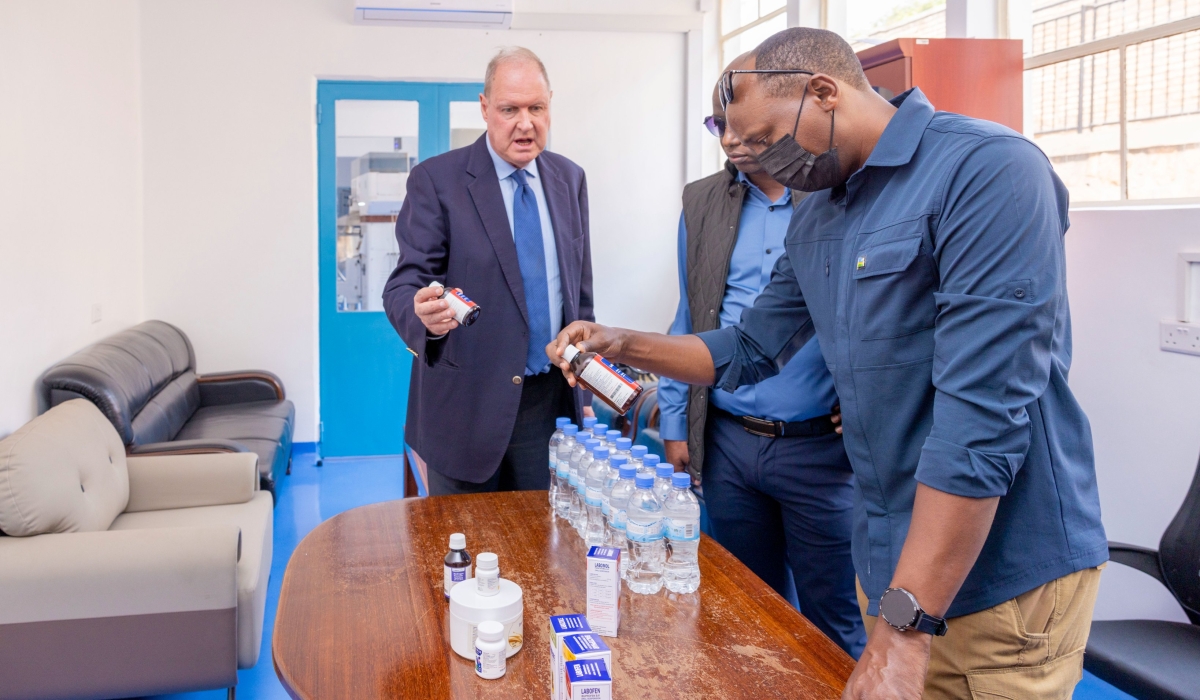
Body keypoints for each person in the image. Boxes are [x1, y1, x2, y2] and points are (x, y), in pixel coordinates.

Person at [549, 28, 1107, 700]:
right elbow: (747, 348)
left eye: (766, 141)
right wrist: (621, 344)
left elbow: (979, 421)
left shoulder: (986, 170)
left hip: (1004, 575)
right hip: (892, 564)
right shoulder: (821, 219)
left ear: (823, 92)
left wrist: (905, 626)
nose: (757, 161)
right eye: (741, 146)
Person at [657, 52, 864, 657]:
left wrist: (867, 399)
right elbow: (690, 316)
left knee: (834, 620)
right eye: (718, 125)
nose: (732, 141)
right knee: (743, 610)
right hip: (729, 443)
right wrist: (676, 421)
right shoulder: (702, 203)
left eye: (748, 129)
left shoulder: (840, 195)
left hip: (821, 451)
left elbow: (886, 316)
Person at [383, 47, 594, 496]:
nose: (525, 123)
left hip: (550, 404)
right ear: (484, 108)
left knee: (545, 553)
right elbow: (405, 283)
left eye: (536, 108)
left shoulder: (569, 179)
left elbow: (579, 293)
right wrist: (422, 316)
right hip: (467, 408)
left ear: (550, 104)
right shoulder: (437, 181)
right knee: (468, 553)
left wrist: (587, 389)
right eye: (509, 109)